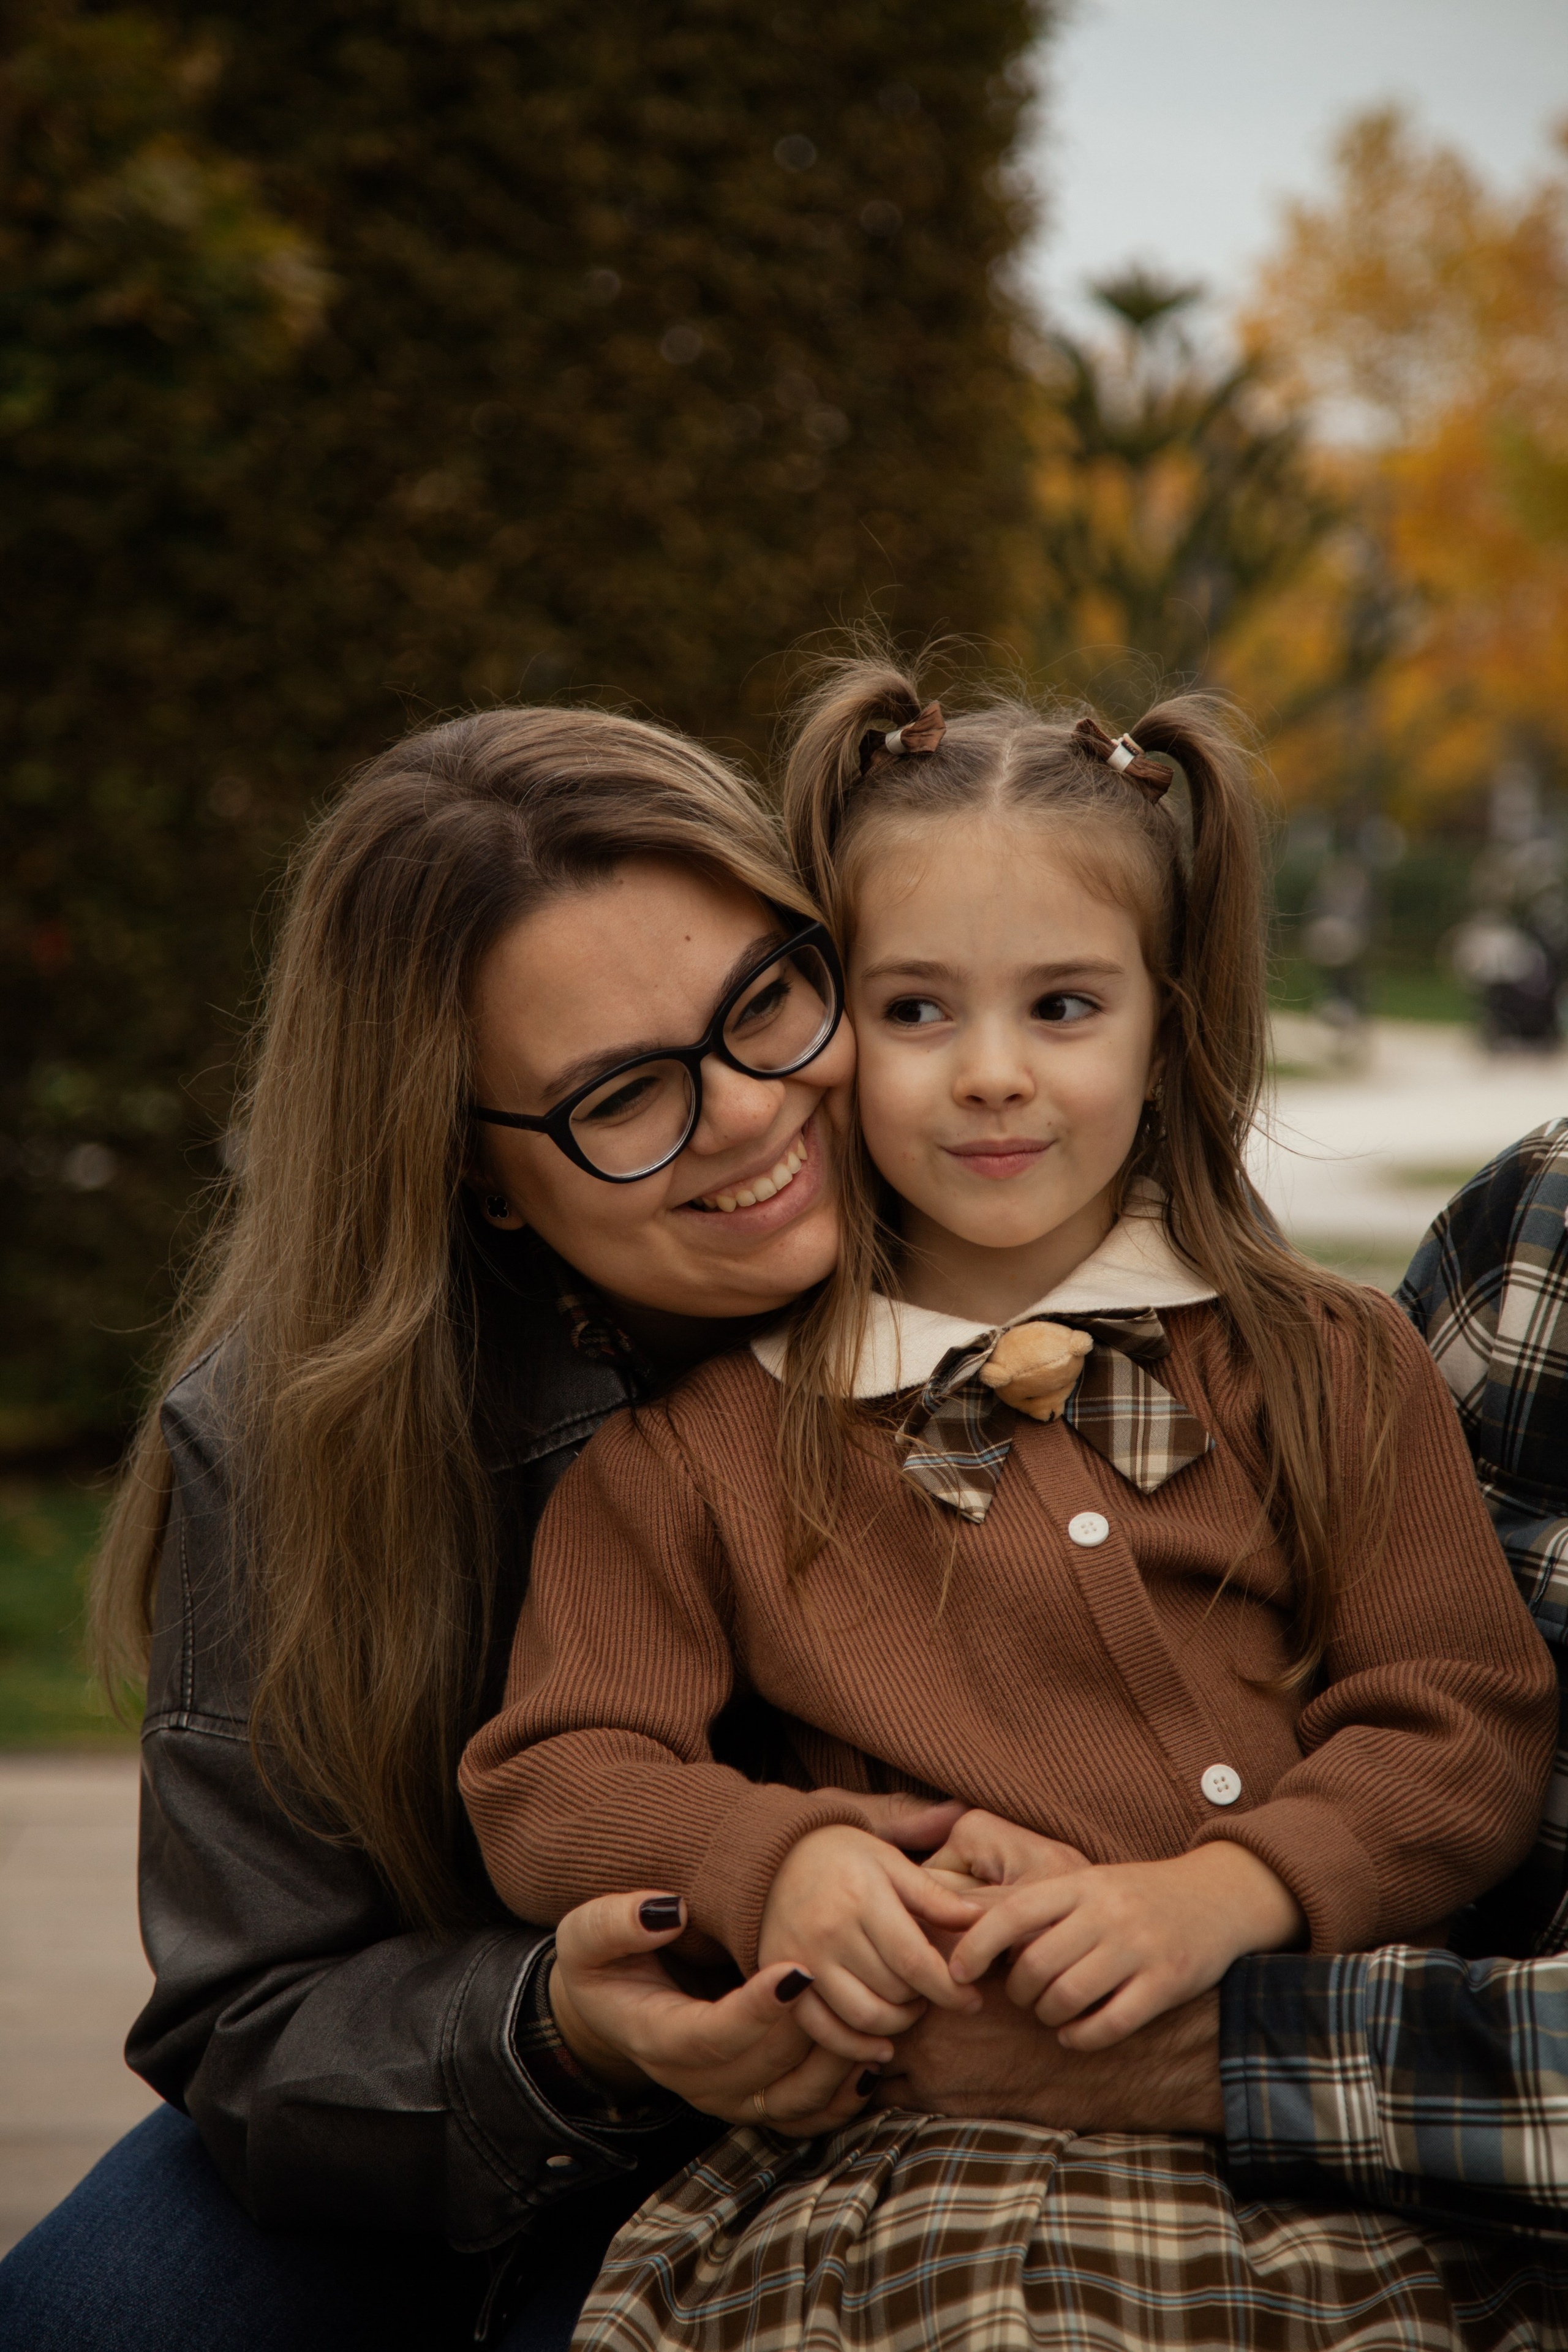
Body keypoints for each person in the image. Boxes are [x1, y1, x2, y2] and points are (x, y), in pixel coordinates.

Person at [462, 661, 1564, 2348]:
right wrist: (785, 1856)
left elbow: (1463, 1722)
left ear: (1167, 1015)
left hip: (1310, 2146)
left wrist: (1237, 1890)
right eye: (915, 1010)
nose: (989, 1073)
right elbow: (557, 1771)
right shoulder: (702, 1455)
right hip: (919, 2160)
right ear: (829, 1031)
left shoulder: (1327, 1363)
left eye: (1062, 1006)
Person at [0, 702, 946, 2352]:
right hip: (500, 2116)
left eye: (768, 1003)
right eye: (621, 1097)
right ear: (475, 1174)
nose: (744, 1113)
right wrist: (562, 2031)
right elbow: (257, 2019)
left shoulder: (1046, 1255)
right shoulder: (302, 1436)